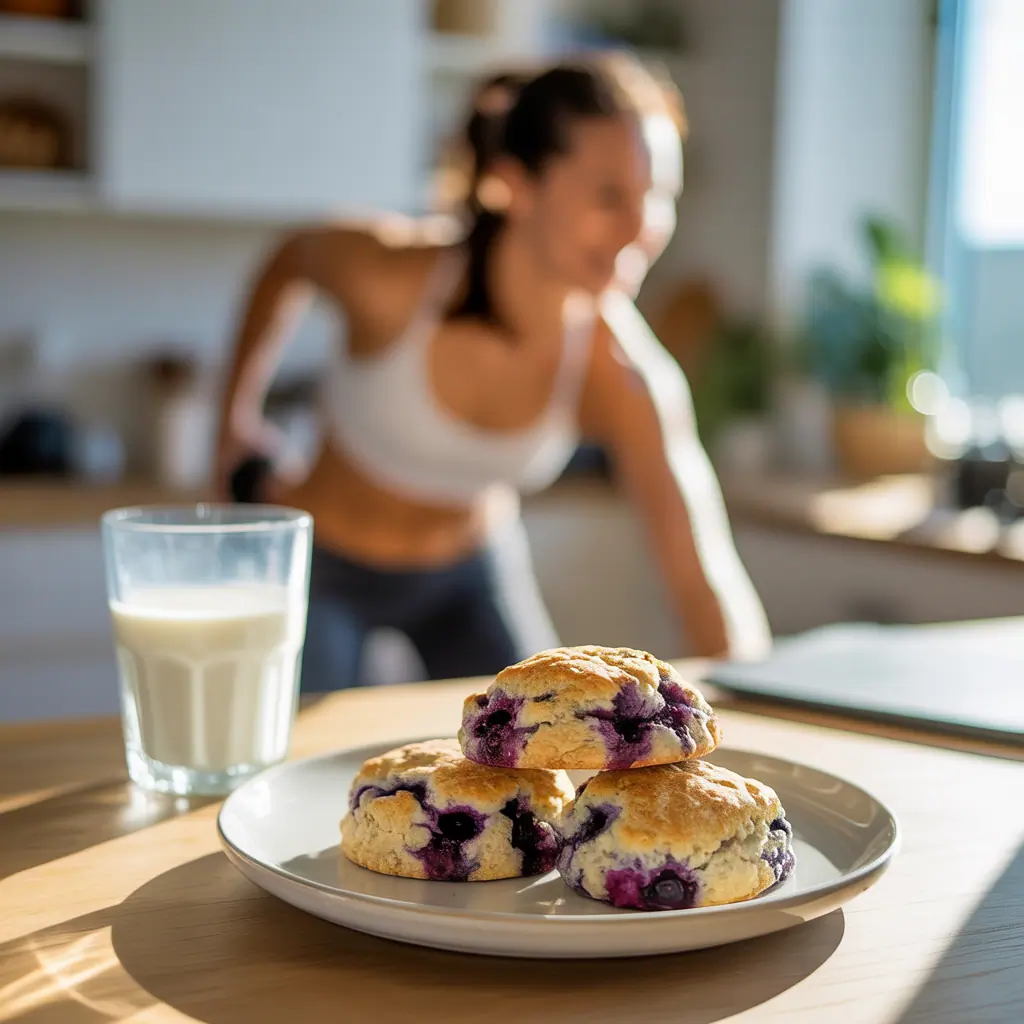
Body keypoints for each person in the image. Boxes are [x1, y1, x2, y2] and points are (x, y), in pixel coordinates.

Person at [216, 57, 770, 692]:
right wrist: (233, 417)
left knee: (540, 757)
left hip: (470, 573)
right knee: (296, 759)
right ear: (515, 185)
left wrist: (767, 722)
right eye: (611, 194)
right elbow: (289, 259)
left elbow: (702, 578)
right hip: (326, 567)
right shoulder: (391, 276)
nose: (644, 228)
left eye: (660, 196)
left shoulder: (623, 373)